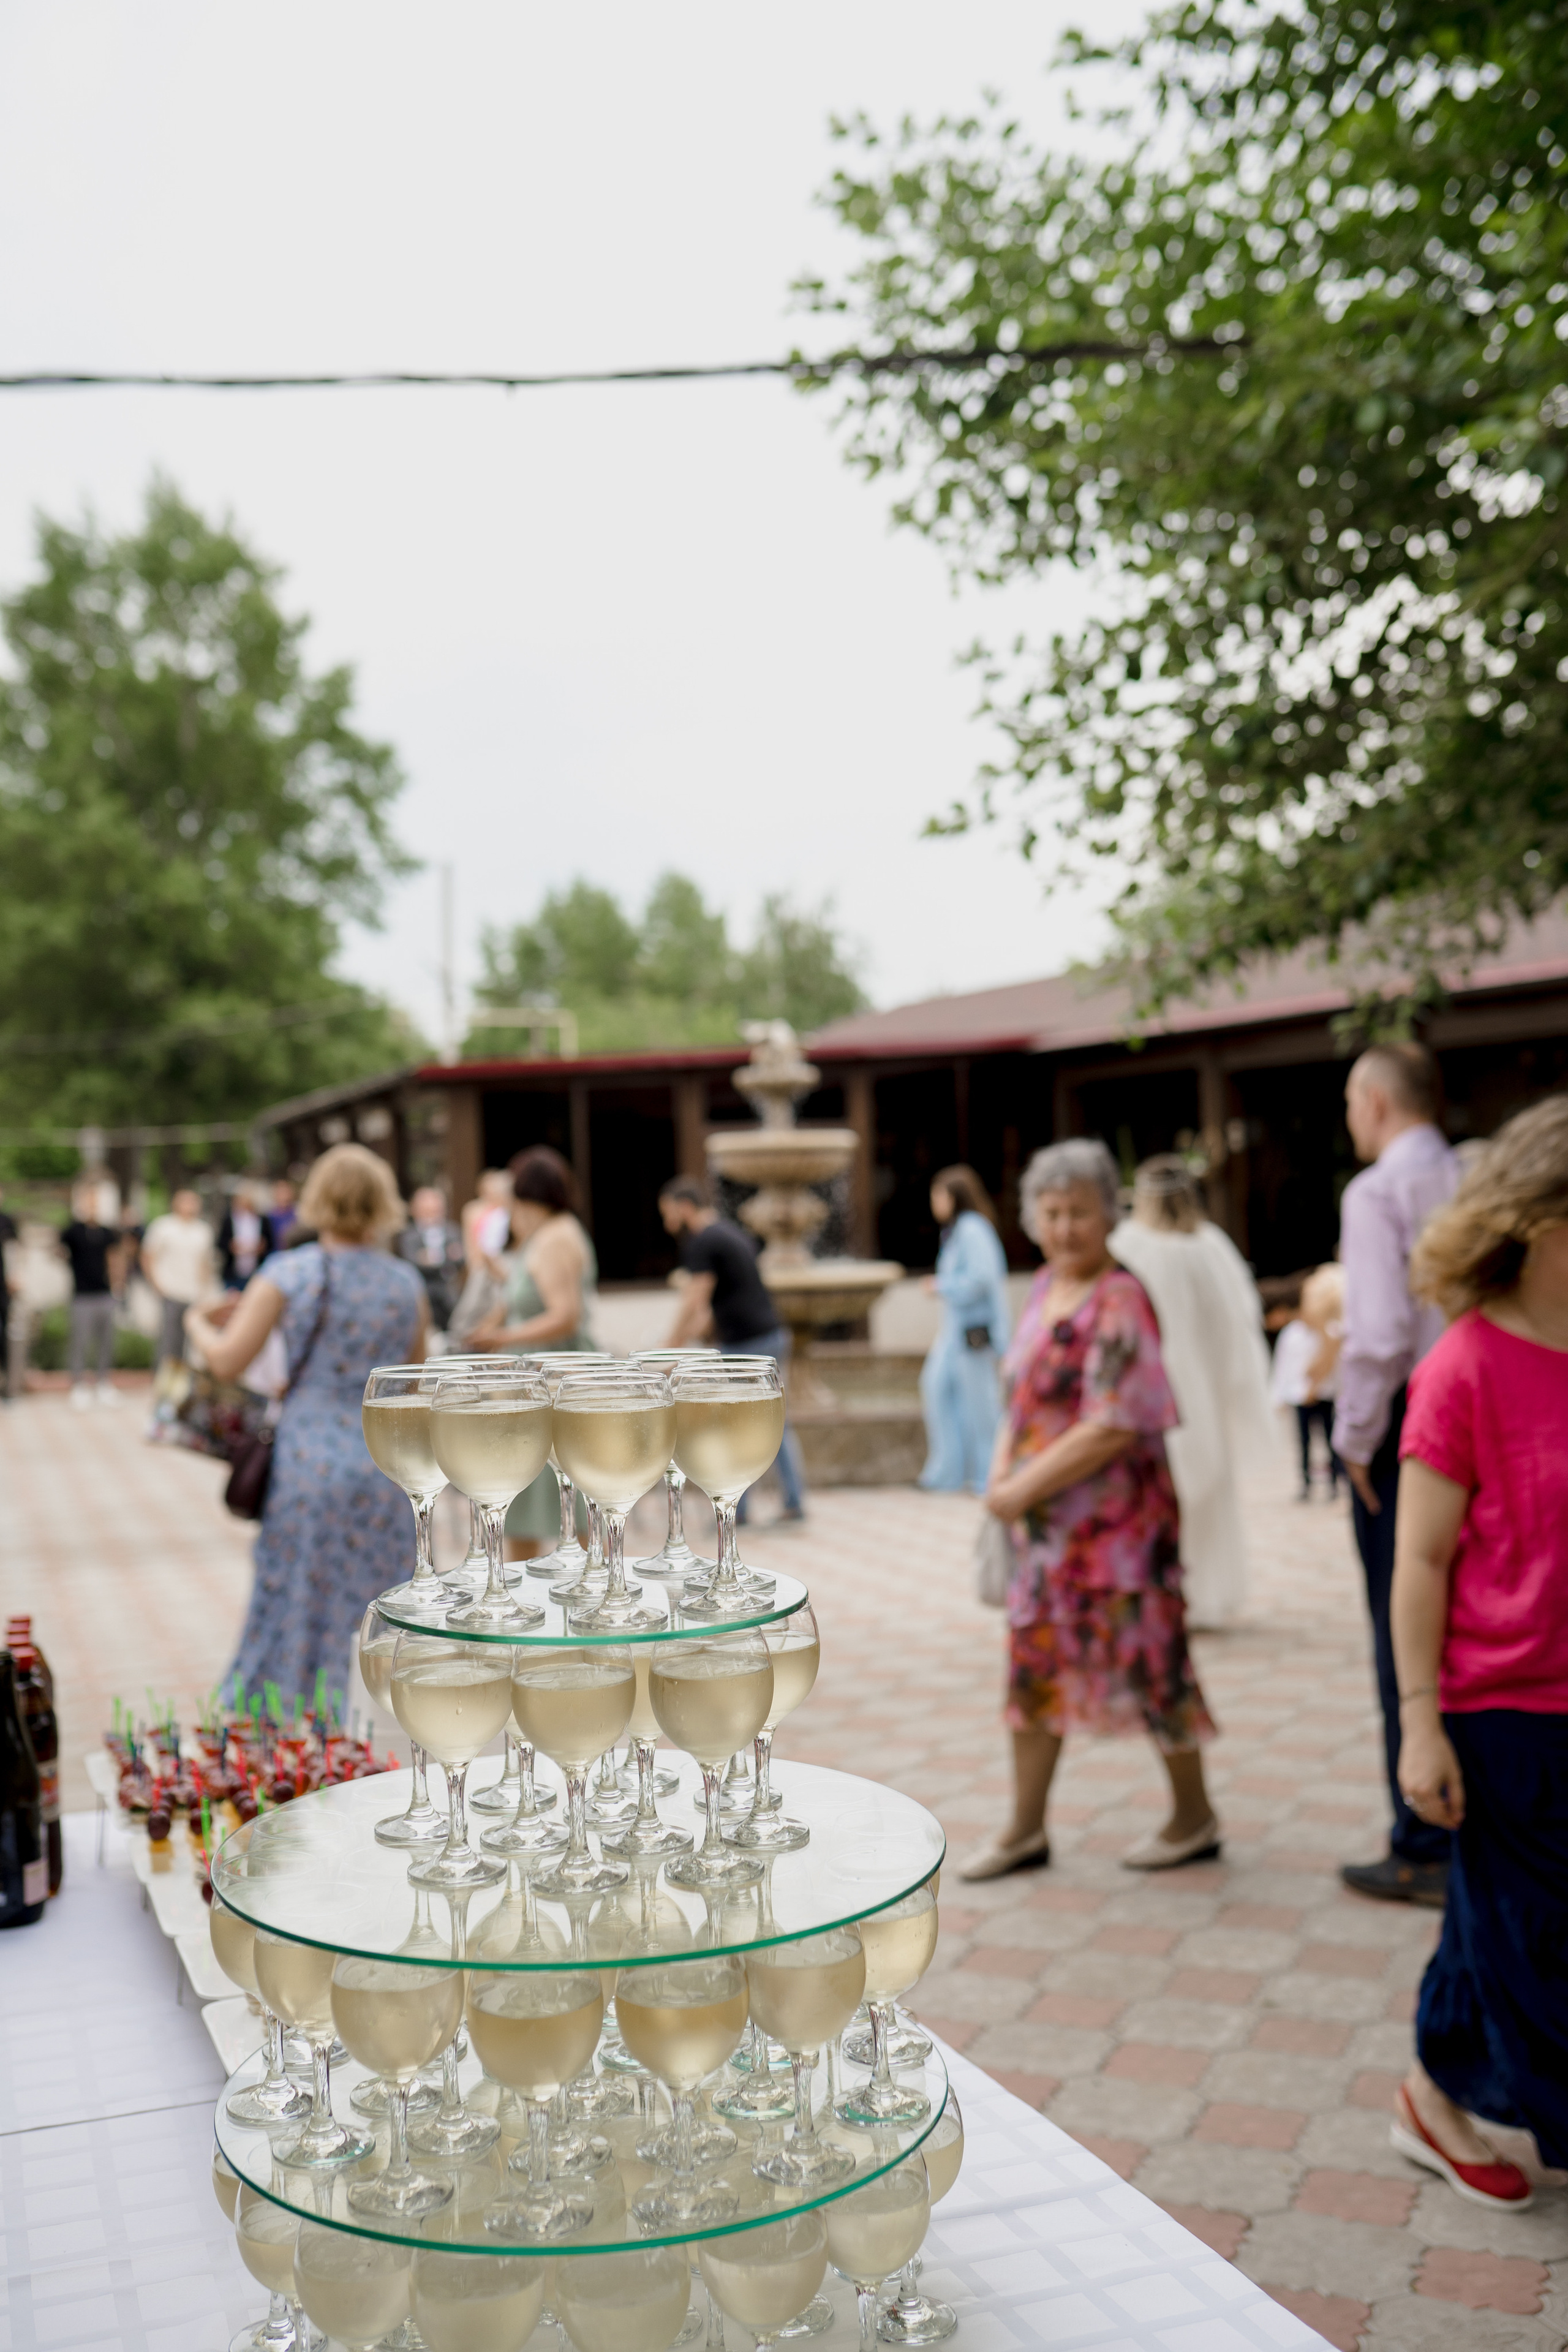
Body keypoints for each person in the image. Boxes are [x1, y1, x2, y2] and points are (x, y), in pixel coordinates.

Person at [1383, 1095, 1568, 2212]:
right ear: (1544, 1223)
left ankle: (1428, 2095)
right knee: (1536, 1937)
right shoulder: (1463, 1367)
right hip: (1507, 1712)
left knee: (1496, 1914)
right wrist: (1420, 1722)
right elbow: (1420, 1561)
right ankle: (1451, 2094)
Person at [962, 1137, 1219, 1880]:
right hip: (1047, 1535)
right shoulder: (1046, 1285)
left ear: (1109, 1214)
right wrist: (1001, 1471)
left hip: (1120, 1534)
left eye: (1079, 1211)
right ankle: (1024, 1829)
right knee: (1034, 1668)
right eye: (1051, 1212)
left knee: (1154, 1666)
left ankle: (1194, 1817)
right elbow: (1020, 1396)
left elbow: (1115, 1421)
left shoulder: (1119, 1297)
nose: (1065, 1227)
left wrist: (1019, 1488)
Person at [186, 1144, 426, 1709]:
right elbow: (414, 1380)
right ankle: (371, 1720)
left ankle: (287, 1714)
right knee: (381, 1609)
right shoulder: (404, 1283)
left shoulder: (288, 1273)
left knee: (293, 1595)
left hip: (307, 1462)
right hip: (382, 1464)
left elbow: (226, 1362)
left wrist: (196, 1320)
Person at [1334, 1042, 1460, 1907]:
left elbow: (1379, 1336)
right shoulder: (1470, 1174)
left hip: (1407, 1419)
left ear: (1375, 1101)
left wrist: (1353, 1437)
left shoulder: (1377, 1192)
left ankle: (1421, 1840)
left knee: (1402, 1618)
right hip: (1481, 1401)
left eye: (1351, 1101)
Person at [1108, 1156, 1275, 1627]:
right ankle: (1199, 1592)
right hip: (1202, 1390)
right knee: (1203, 1493)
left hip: (1151, 1391)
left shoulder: (1128, 1246)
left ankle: (1157, 1589)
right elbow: (1237, 1326)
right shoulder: (1211, 1247)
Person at [470, 1147, 598, 1558]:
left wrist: (502, 1338)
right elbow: (526, 1293)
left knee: (567, 1500)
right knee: (527, 1500)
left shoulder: (555, 1236)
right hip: (536, 1375)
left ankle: (588, 1585)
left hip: (551, 1377)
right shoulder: (546, 1232)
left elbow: (566, 1315)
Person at [658, 1174, 805, 1523]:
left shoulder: (703, 1241)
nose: (667, 1223)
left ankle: (748, 1509)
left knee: (742, 1424)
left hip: (748, 1344)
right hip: (764, 1336)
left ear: (684, 1207)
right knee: (763, 1423)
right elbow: (721, 1302)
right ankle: (777, 1503)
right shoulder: (727, 1233)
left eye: (668, 1213)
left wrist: (668, 1350)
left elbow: (694, 1301)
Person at [918, 1164, 1011, 1495]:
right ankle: (948, 1472)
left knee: (981, 1406)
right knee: (937, 1388)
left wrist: (942, 1286)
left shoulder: (973, 1228)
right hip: (955, 1333)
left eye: (938, 1195)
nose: (934, 1202)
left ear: (954, 1197)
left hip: (975, 1332)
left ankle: (989, 1476)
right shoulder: (956, 1231)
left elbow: (981, 1279)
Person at [1270, 1264, 1344, 1501]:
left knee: (1329, 1439)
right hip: (1299, 1396)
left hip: (1324, 1395)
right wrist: (1279, 1396)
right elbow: (1283, 1367)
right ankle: (1306, 1483)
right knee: (1304, 1442)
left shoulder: (1330, 1331)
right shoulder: (1292, 1335)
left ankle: (1334, 1482)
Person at [59, 1184, 122, 1409]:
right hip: (82, 1295)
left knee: (106, 1342)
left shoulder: (107, 1232)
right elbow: (59, 1250)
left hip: (104, 1293)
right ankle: (78, 1384)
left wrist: (117, 1284)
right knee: (80, 1341)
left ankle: (103, 1383)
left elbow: (114, 1257)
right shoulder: (73, 1231)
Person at [141, 1189, 217, 1368]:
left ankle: (181, 1382)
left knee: (189, 1345)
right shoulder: (163, 1227)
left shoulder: (203, 1230)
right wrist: (156, 1286)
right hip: (170, 1291)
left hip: (193, 1294)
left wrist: (205, 1290)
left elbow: (205, 1263)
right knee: (168, 1342)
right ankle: (162, 1380)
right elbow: (148, 1256)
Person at [396, 1184, 466, 1332]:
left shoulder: (452, 1231)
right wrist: (444, 1257)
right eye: (427, 1210)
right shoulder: (409, 1235)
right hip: (423, 1291)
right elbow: (411, 1261)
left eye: (435, 1210)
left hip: (448, 1292)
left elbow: (460, 1258)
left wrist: (430, 1258)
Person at [216, 1183, 269, 1291]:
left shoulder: (262, 1220)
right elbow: (221, 1243)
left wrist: (262, 1247)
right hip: (233, 1273)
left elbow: (270, 1243)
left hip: (257, 1272)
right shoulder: (229, 1220)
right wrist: (232, 1247)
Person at [267, 1177, 300, 1250]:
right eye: (281, 1192)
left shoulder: (298, 1213)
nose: (284, 1195)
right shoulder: (269, 1217)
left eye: (286, 1191)